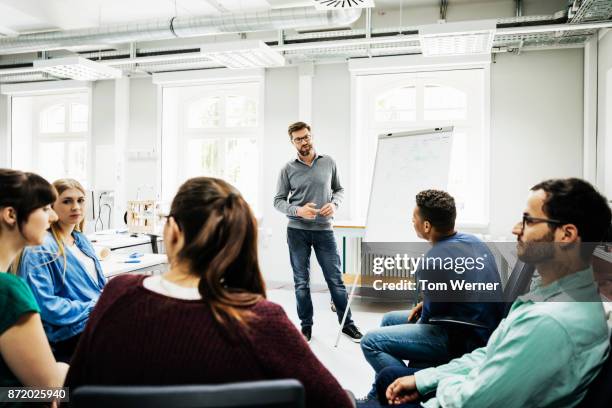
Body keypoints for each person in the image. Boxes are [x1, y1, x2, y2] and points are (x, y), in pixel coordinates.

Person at [65, 177, 354, 408]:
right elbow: (337, 402)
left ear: (174, 232)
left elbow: (73, 391)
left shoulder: (118, 293)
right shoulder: (263, 320)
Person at [376, 178, 611, 408]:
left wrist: (435, 386)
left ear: (566, 235)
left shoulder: (549, 323)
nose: (515, 229)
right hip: (477, 362)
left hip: (460, 392)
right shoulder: (554, 294)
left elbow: (475, 400)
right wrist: (423, 379)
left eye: (528, 221)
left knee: (382, 378)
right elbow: (491, 354)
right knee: (391, 377)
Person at [360, 189, 503, 401]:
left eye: (414, 219)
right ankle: (376, 395)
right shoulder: (473, 241)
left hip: (462, 338)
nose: (412, 222)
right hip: (483, 327)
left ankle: (410, 389)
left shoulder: (433, 259)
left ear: (427, 226)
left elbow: (428, 320)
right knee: (389, 319)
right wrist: (427, 300)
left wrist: (427, 306)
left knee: (370, 342)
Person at [274, 121, 362, 343]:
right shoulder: (287, 169)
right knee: (301, 282)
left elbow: (339, 189)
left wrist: (334, 204)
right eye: (298, 139)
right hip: (297, 232)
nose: (304, 142)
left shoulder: (328, 162)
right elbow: (278, 201)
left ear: (311, 136)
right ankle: (306, 326)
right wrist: (298, 210)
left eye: (306, 137)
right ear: (292, 142)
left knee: (335, 280)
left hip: (324, 230)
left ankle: (347, 325)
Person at [18, 178, 105, 363]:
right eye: (67, 201)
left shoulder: (81, 240)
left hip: (94, 322)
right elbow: (46, 306)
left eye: (80, 200)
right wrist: (96, 305)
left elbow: (98, 289)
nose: (76, 207)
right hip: (69, 335)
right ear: (51, 207)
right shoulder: (42, 247)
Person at [0, 169, 68, 396]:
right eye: (45, 208)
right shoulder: (8, 290)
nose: (54, 217)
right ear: (10, 214)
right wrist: (63, 369)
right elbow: (48, 390)